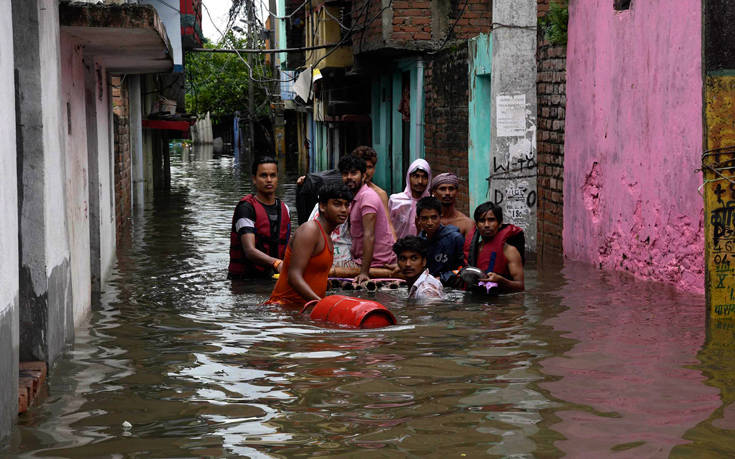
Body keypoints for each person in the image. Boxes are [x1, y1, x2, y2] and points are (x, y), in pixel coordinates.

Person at [267, 184, 352, 307]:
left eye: (347, 205)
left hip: (304, 310)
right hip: (283, 310)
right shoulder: (310, 230)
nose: (344, 210)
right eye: (337, 204)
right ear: (322, 206)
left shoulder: (327, 237)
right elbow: (293, 277)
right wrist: (323, 305)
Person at [228, 157, 291, 278]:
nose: (269, 180)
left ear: (277, 178)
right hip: (246, 281)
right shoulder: (246, 209)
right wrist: (277, 263)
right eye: (263, 175)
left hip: (274, 276)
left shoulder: (285, 209)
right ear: (254, 179)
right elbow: (249, 251)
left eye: (273, 175)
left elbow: (288, 243)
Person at [339, 154, 396, 284]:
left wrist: (364, 272)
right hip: (361, 259)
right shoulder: (354, 197)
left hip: (378, 263)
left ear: (363, 176)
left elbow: (369, 235)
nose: (349, 178)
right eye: (345, 174)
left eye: (354, 173)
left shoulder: (367, 198)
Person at [464, 202, 525, 292]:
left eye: (491, 220)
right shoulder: (474, 250)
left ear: (500, 224)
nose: (486, 225)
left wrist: (501, 281)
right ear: (476, 225)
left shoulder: (510, 251)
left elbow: (520, 287)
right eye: (482, 221)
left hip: (502, 302)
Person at [415, 197, 465, 285]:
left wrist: (442, 278)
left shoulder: (455, 238)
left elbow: (462, 268)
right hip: (426, 286)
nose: (429, 223)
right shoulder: (419, 241)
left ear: (440, 216)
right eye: (424, 218)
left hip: (452, 288)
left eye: (434, 217)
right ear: (418, 219)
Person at [389, 159, 433, 239]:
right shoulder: (396, 200)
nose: (420, 181)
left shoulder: (432, 203)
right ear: (408, 177)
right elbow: (388, 228)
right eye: (416, 176)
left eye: (424, 177)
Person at [393, 236, 445, 300]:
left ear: (424, 261)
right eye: (403, 259)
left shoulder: (425, 291)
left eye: (414, 258)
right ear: (397, 262)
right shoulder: (421, 282)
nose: (407, 264)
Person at [430, 172, 474, 239]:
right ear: (434, 192)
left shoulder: (467, 223)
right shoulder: (428, 220)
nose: (447, 193)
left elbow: (470, 248)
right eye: (442, 189)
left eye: (451, 189)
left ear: (457, 192)